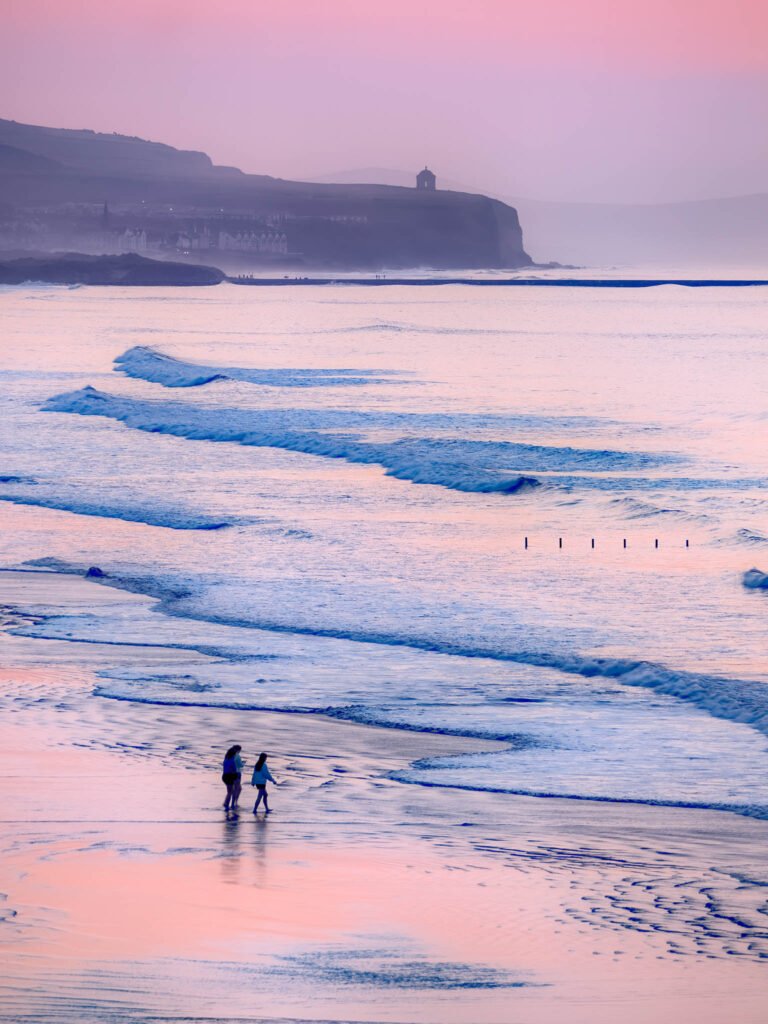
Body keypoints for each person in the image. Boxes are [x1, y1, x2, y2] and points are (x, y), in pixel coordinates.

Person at [222, 744, 244, 811]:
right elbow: (235, 768)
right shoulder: (234, 758)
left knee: (230, 792)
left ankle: (226, 804)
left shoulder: (226, 758)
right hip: (231, 775)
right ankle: (230, 805)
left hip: (224, 776)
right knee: (233, 791)